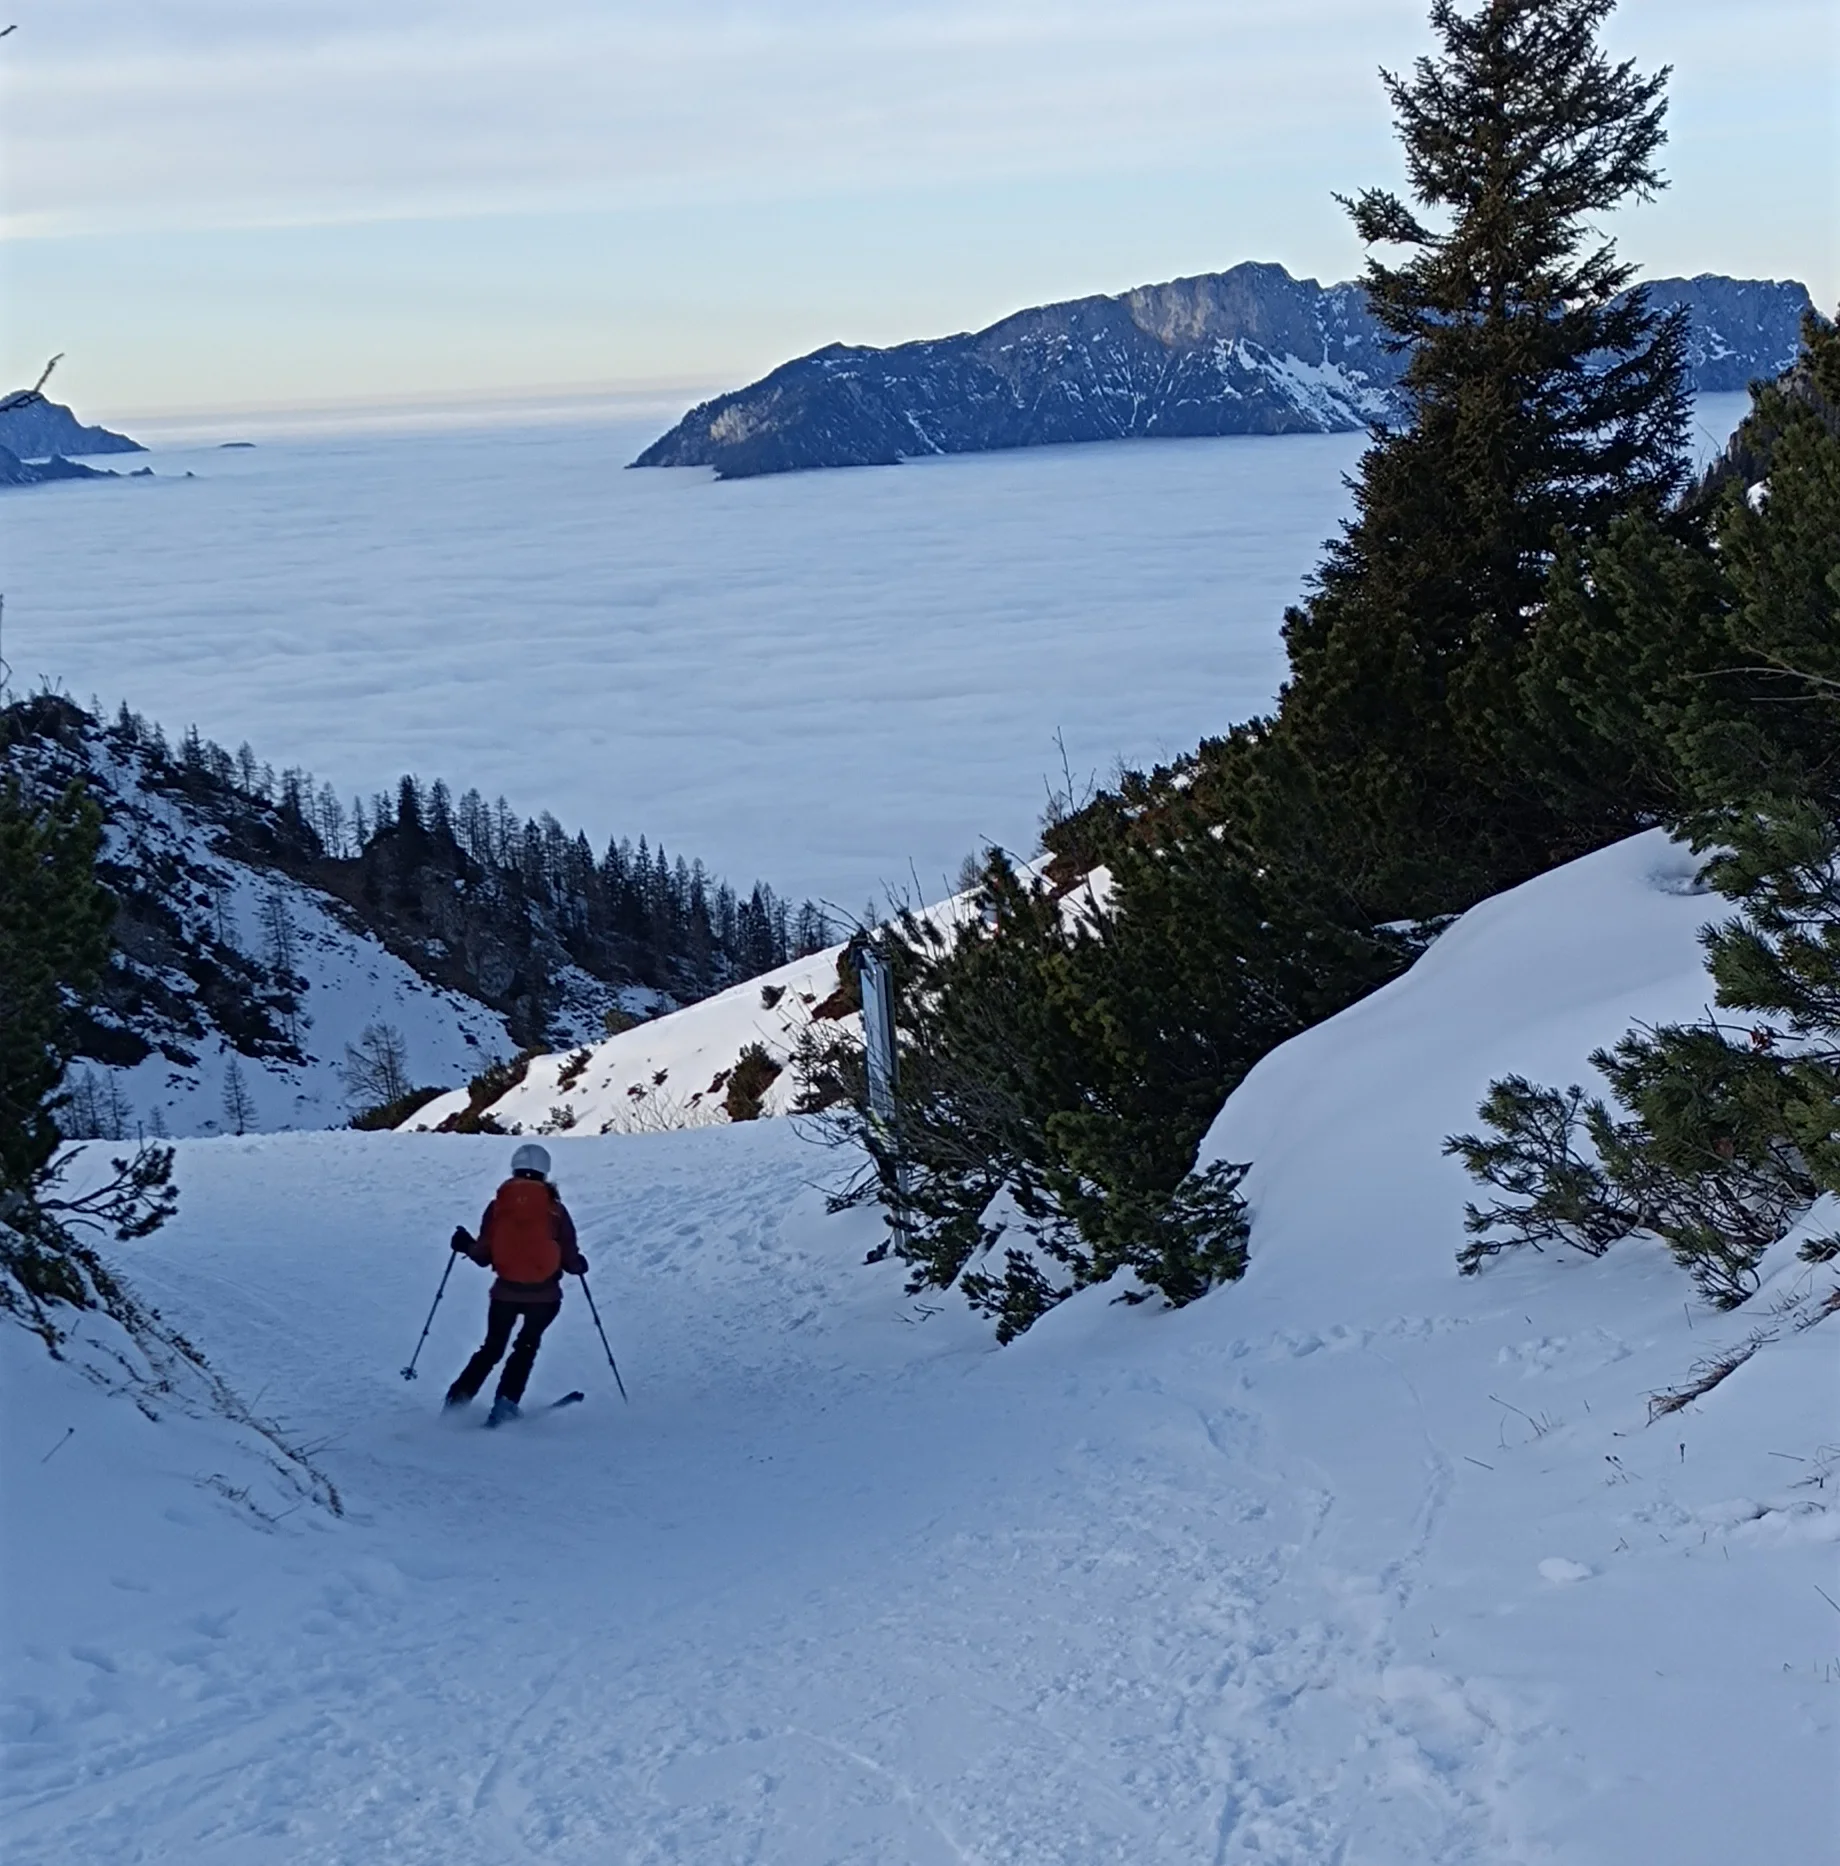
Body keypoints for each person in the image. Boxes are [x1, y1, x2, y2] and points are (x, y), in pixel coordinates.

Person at [445, 1142, 587, 1425]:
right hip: (545, 1298)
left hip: (504, 1295)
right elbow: (571, 1261)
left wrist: (465, 1244)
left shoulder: (498, 1207)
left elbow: (483, 1256)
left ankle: (456, 1403)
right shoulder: (556, 1210)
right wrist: (579, 1264)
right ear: (545, 1171)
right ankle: (505, 1404)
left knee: (491, 1349)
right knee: (526, 1347)